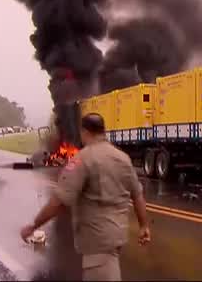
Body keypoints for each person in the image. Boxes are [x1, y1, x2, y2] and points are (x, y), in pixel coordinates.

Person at [20, 113, 151, 281]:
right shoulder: (123, 158)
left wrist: (34, 225)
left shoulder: (82, 159)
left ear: (84, 131)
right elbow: (137, 194)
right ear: (103, 131)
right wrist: (144, 226)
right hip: (116, 239)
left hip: (97, 245)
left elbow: (59, 201)